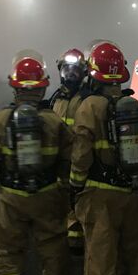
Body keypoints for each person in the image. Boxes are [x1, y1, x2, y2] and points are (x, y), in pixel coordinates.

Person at [0, 49, 74, 275]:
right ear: (42, 89)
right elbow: (69, 157)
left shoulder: (1, 120)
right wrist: (64, 188)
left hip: (10, 196)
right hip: (48, 193)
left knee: (7, 243)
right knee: (53, 244)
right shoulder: (54, 121)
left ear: (15, 88)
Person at [70, 40, 138, 275]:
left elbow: (81, 151)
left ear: (93, 73)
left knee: (100, 259)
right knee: (131, 250)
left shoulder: (89, 106)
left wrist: (75, 184)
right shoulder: (132, 105)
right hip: (132, 192)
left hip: (100, 195)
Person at [50, 48, 88, 254]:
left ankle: (79, 242)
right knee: (63, 200)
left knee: (78, 200)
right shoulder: (58, 98)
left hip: (80, 159)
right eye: (66, 69)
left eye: (75, 69)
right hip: (61, 161)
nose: (70, 74)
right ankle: (68, 239)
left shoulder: (87, 98)